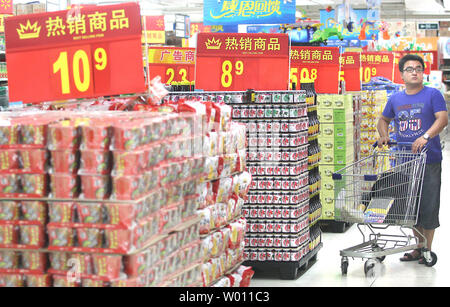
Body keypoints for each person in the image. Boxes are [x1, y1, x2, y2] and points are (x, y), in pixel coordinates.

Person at [377, 54, 448, 264]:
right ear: (402, 74)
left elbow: (442, 119)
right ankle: (418, 247)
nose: (414, 72)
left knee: (428, 205)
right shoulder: (396, 98)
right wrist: (384, 135)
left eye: (418, 68)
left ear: (423, 72)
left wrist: (426, 136)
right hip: (405, 161)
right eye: (409, 69)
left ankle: (427, 248)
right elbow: (383, 119)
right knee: (411, 206)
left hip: (429, 160)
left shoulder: (433, 94)